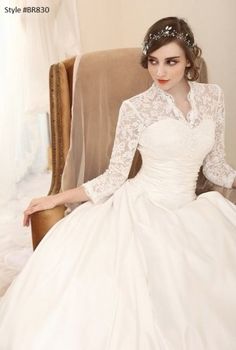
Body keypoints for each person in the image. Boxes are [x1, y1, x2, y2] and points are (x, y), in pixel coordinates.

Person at [0, 16, 236, 350]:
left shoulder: (213, 97)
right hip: (141, 210)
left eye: (171, 61)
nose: (161, 72)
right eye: (153, 62)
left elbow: (215, 166)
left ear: (190, 60)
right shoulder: (136, 108)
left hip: (192, 210)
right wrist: (57, 198)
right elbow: (114, 176)